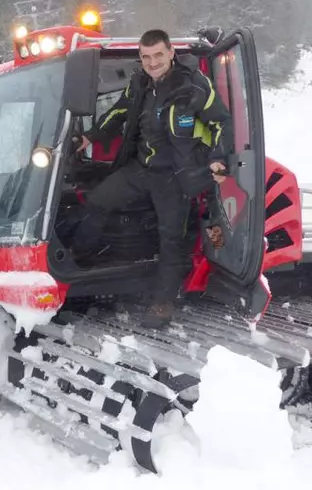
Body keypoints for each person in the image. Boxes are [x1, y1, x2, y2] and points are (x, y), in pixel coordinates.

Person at [70, 28, 231, 329]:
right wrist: (89, 137)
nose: (153, 62)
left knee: (171, 238)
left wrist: (218, 159)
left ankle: (163, 303)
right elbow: (119, 112)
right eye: (146, 57)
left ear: (171, 53)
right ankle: (80, 260)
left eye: (158, 54)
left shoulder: (194, 86)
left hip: (176, 175)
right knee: (96, 201)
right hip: (142, 168)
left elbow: (220, 122)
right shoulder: (140, 84)